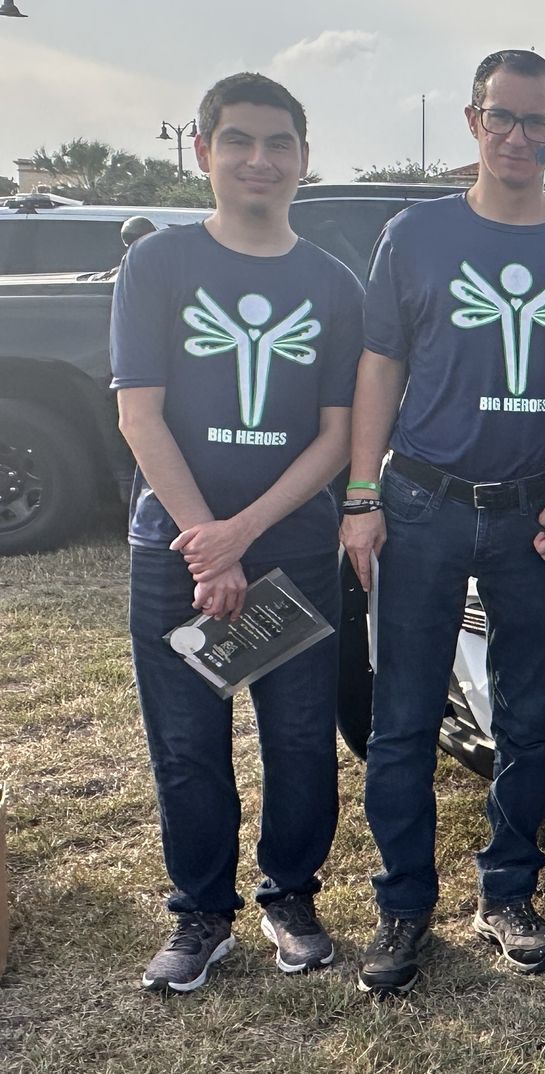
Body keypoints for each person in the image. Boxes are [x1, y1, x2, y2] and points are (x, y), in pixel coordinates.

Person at [339, 49, 545, 994]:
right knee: (404, 718)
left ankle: (506, 890)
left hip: (532, 514)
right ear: (472, 122)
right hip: (421, 502)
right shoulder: (414, 235)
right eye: (499, 117)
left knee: (528, 716)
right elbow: (379, 366)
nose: (516, 136)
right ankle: (403, 905)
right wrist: (362, 496)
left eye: (534, 122)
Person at [111, 72, 363, 992]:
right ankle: (202, 915)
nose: (261, 160)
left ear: (304, 156)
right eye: (240, 141)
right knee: (185, 740)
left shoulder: (332, 283)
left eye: (280, 143)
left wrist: (243, 536)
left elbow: (337, 434)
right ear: (203, 151)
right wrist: (203, 540)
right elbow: (140, 414)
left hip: (291, 551)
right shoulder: (160, 265)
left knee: (299, 736)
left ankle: (291, 895)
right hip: (172, 551)